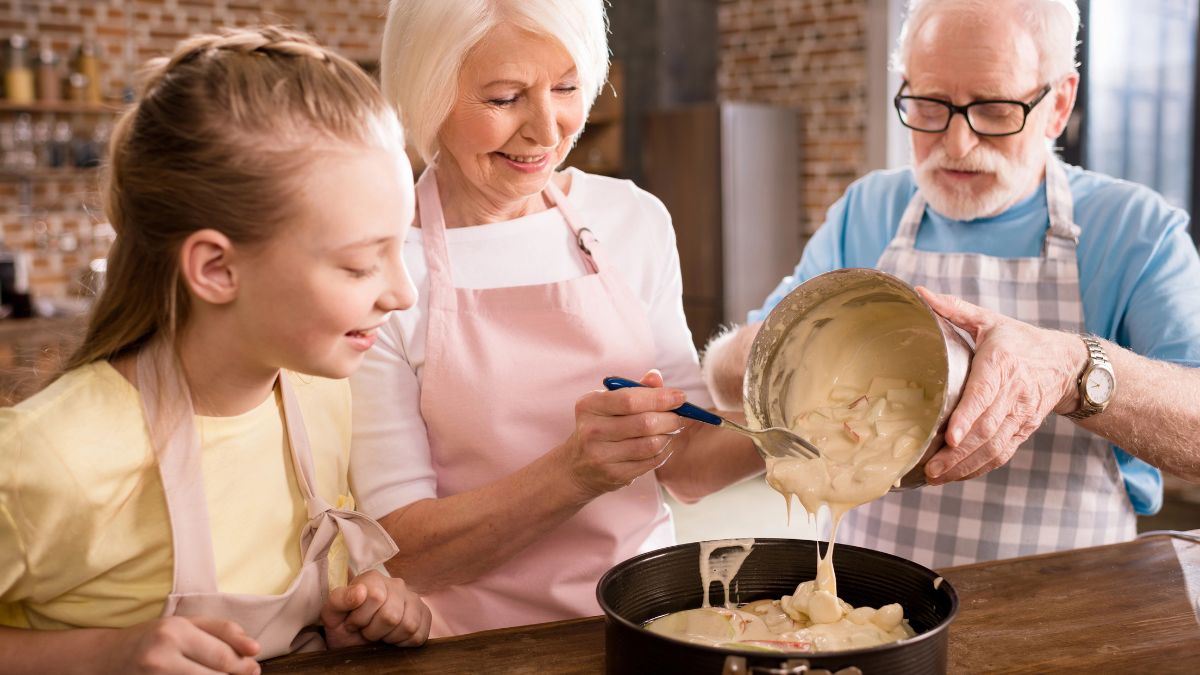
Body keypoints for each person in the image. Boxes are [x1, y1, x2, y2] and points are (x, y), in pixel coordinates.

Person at [704, 0, 1200, 569]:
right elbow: (731, 377)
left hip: (1068, 608)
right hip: (867, 605)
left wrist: (1072, 370)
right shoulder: (868, 210)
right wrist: (766, 357)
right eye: (930, 105)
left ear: (1058, 102)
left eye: (993, 109)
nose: (958, 144)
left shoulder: (1134, 228)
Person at [0, 27, 432, 673]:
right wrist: (102, 653)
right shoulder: (49, 457)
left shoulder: (320, 394)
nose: (401, 293)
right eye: (359, 264)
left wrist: (356, 617)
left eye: (400, 248)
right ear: (216, 269)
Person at [351, 0, 763, 636]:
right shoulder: (380, 262)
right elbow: (402, 553)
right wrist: (572, 474)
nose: (546, 129)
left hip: (646, 624)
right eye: (504, 97)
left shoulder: (633, 220)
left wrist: (798, 416)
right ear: (428, 96)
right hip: (470, 646)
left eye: (567, 87)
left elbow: (686, 461)